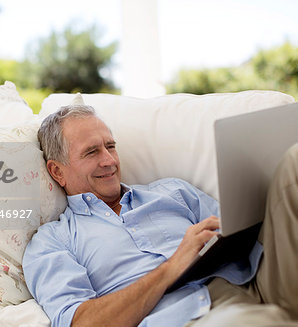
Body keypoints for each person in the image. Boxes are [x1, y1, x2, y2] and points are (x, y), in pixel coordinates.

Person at [22, 104, 298, 327]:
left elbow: (238, 228)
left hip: (258, 283)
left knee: (294, 161)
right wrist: (173, 266)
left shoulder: (173, 190)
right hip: (192, 319)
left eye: (111, 146)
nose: (109, 160)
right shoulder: (51, 242)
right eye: (92, 152)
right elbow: (81, 323)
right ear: (57, 171)